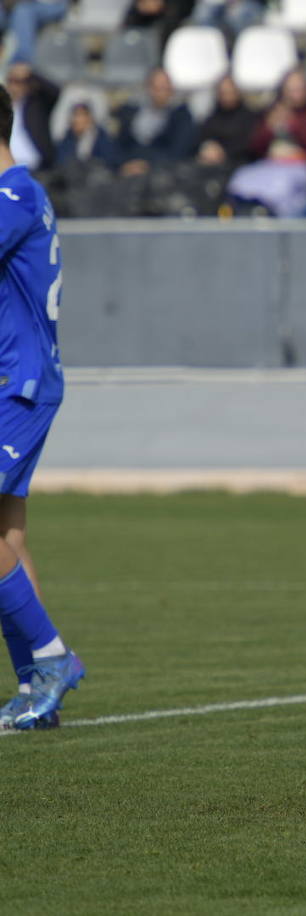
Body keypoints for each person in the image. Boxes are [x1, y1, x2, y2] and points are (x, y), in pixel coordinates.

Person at [0, 84, 85, 730]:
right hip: (13, 380)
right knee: (8, 534)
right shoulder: (21, 193)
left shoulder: (13, 195)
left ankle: (53, 660)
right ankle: (36, 687)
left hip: (18, 384)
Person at [112, 67, 197, 176]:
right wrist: (124, 165)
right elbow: (119, 145)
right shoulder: (131, 112)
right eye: (156, 88)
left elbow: (178, 152)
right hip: (129, 170)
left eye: (164, 88)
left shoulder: (181, 116)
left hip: (163, 173)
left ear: (171, 89)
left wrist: (148, 165)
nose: (160, 93)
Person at [249, 68, 306, 174]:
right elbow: (255, 147)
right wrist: (269, 128)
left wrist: (292, 122)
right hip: (271, 165)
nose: (296, 93)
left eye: (300, 88)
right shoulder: (274, 110)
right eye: (292, 89)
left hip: (304, 166)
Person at [196, 75, 259, 171]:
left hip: (240, 165)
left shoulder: (249, 117)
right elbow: (204, 138)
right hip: (212, 165)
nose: (227, 97)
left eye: (230, 92)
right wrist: (207, 147)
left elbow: (249, 143)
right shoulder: (212, 117)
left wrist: (223, 152)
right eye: (223, 93)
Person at [6, 63, 57, 172]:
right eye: (11, 81)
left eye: (19, 82)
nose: (14, 87)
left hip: (34, 169)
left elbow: (55, 91)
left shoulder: (36, 105)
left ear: (27, 85)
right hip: (7, 168)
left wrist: (31, 74)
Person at [55, 102, 117, 167]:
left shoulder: (101, 137)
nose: (75, 120)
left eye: (79, 115)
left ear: (89, 117)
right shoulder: (67, 140)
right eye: (74, 115)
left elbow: (109, 160)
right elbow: (61, 161)